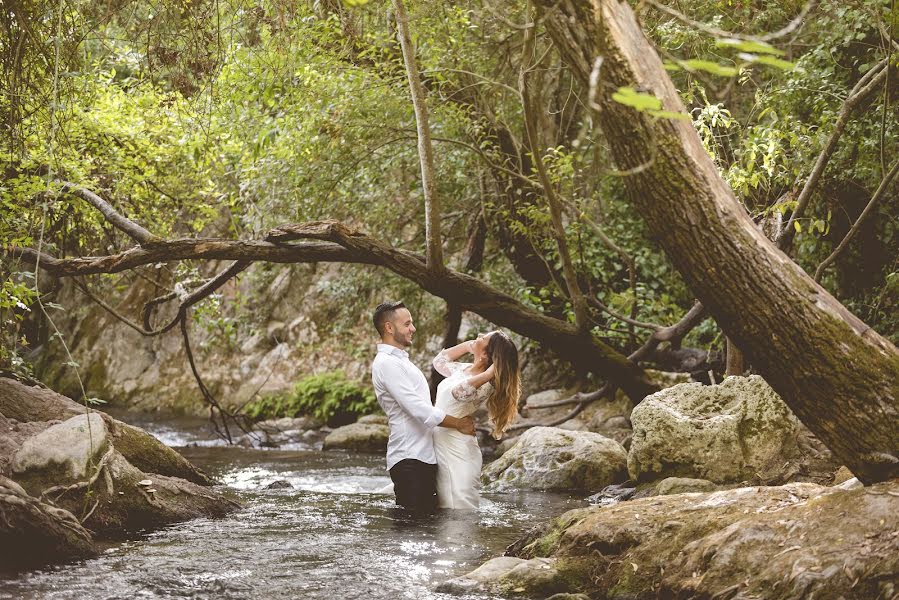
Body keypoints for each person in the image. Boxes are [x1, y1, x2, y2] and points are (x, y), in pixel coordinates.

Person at [371, 301, 476, 513]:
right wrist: (458, 424)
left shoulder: (402, 361)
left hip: (423, 457)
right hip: (409, 459)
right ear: (389, 328)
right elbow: (418, 409)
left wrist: (470, 350)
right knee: (412, 533)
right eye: (407, 323)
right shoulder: (386, 363)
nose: (413, 328)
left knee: (425, 531)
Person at [431, 330, 520, 509]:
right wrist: (468, 346)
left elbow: (458, 392)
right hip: (440, 439)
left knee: (460, 503)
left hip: (457, 446)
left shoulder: (486, 384)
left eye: (483, 337)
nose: (478, 336)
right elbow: (438, 362)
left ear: (487, 353)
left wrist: (489, 373)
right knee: (443, 502)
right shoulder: (462, 369)